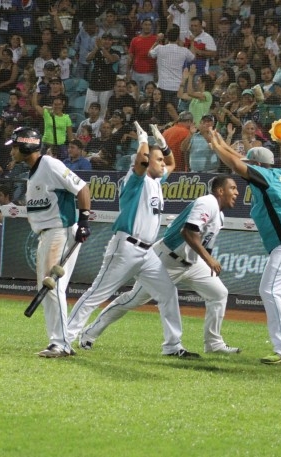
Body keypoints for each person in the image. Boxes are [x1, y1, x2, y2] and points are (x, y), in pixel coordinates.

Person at [65, 123, 197, 358]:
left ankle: (172, 346)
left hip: (147, 254)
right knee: (97, 294)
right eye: (157, 160)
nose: (162, 164)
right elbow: (143, 161)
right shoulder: (136, 180)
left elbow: (172, 164)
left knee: (167, 293)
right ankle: (65, 339)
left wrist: (165, 147)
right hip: (125, 247)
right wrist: (143, 141)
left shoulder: (156, 182)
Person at [79, 175, 242, 354]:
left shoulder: (220, 215)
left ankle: (213, 343)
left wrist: (207, 260)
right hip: (166, 259)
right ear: (220, 191)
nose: (236, 192)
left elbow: (205, 245)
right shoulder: (207, 202)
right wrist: (209, 260)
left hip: (191, 263)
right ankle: (89, 333)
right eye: (232, 188)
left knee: (218, 293)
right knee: (132, 300)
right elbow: (187, 232)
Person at [208, 131, 281, 364]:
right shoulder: (277, 174)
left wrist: (217, 148)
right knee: (279, 293)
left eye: (250, 164)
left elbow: (238, 165)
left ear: (257, 165)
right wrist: (220, 143)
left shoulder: (266, 176)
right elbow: (239, 161)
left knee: (270, 290)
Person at [3, 127, 91, 357]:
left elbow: (82, 187)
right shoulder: (34, 171)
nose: (12, 151)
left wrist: (83, 221)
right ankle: (59, 341)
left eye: (14, 146)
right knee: (47, 286)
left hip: (59, 231)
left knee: (52, 286)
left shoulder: (50, 165)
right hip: (47, 234)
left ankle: (61, 343)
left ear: (26, 145)